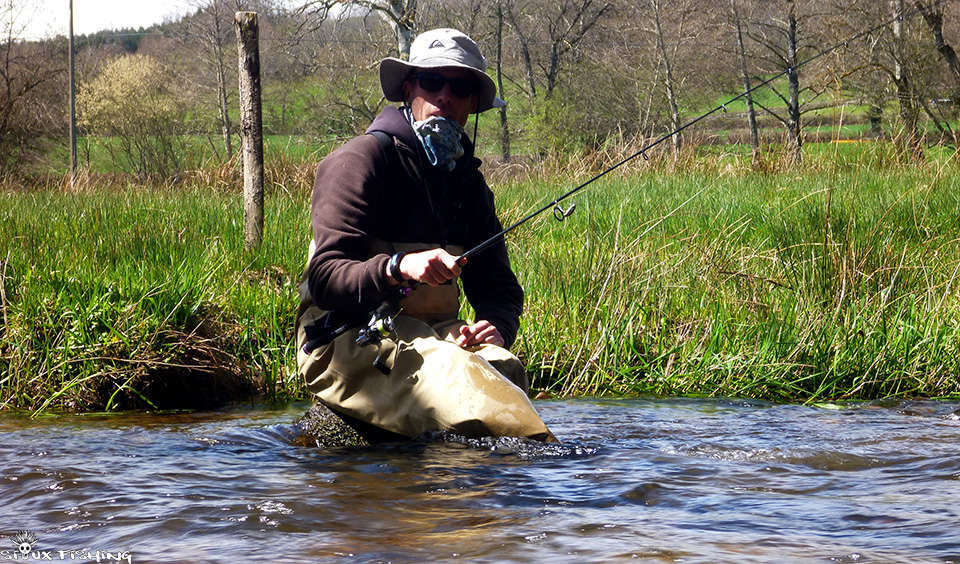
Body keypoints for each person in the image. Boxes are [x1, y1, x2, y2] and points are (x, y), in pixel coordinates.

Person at [295, 28, 557, 443]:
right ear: (408, 88)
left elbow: (499, 288)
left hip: (433, 339)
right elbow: (326, 279)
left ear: (473, 103)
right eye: (433, 82)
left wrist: (496, 327)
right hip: (345, 342)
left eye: (460, 87)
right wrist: (399, 267)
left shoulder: (469, 186)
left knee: (504, 367)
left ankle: (474, 500)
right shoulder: (358, 161)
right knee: (478, 397)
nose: (445, 97)